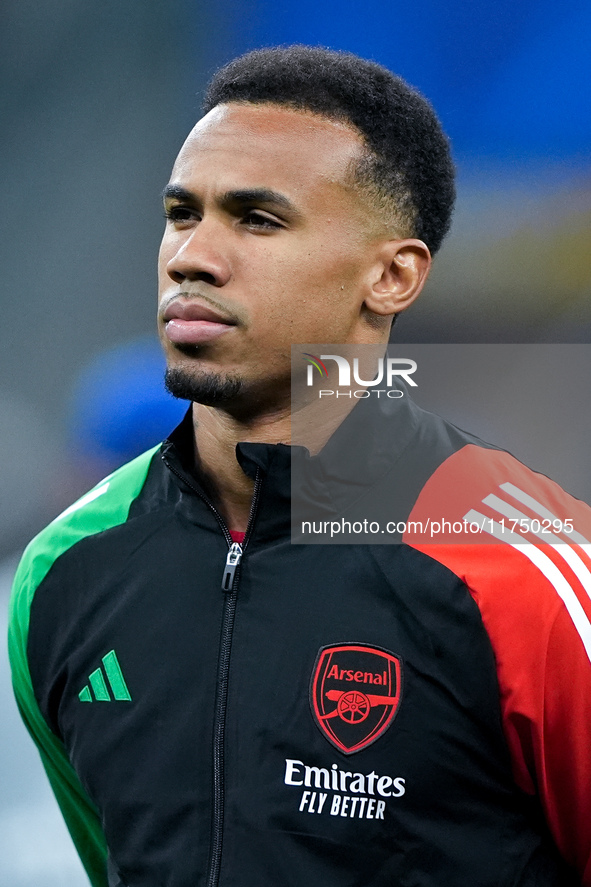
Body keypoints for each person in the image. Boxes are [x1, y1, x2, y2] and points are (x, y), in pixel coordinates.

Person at [8, 45, 591, 887]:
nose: (190, 257)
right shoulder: (65, 569)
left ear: (391, 276)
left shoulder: (528, 572)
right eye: (181, 213)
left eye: (257, 219)